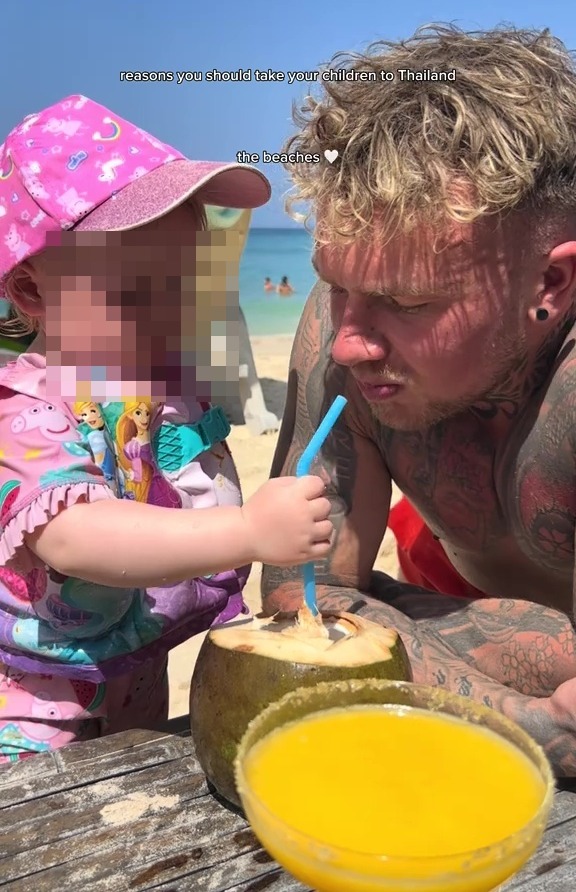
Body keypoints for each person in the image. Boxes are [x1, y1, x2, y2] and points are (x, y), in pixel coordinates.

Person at [261, 25, 576, 776]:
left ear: (552, 285)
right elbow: (300, 597)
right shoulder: (343, 332)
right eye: (336, 284)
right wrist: (524, 719)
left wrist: (391, 625)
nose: (347, 343)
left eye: (406, 300)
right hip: (440, 567)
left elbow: (340, 614)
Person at [0, 94, 333, 761]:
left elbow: (184, 465)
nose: (170, 315)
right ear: (34, 293)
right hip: (38, 700)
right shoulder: (24, 411)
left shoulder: (158, 387)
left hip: (137, 668)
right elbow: (76, 536)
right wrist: (245, 532)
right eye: (132, 295)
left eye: (186, 287)